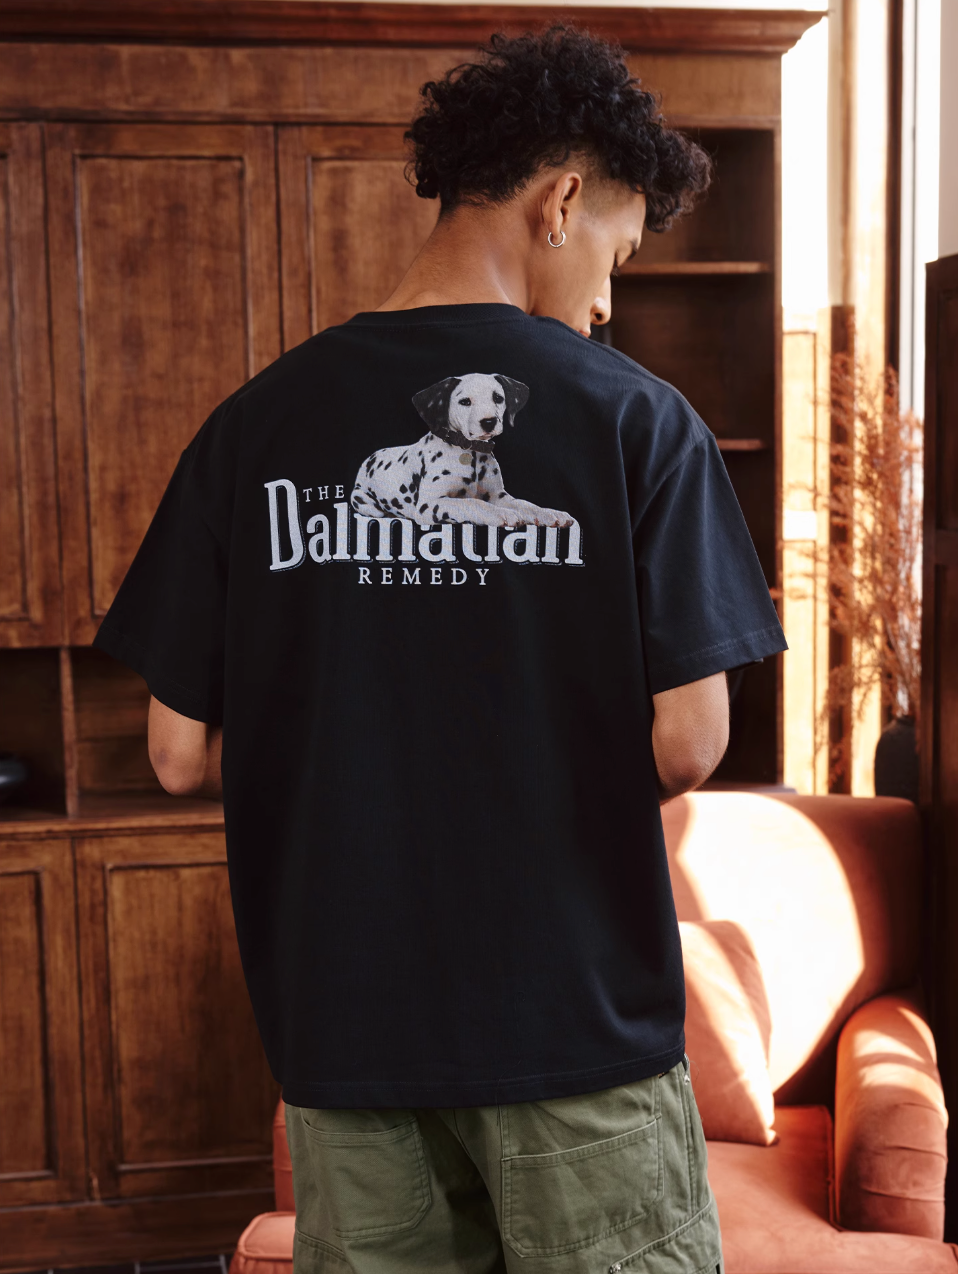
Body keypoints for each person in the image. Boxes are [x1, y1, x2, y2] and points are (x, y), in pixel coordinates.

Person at [93, 25, 787, 1274]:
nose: (608, 300)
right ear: (560, 202)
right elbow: (690, 743)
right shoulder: (638, 421)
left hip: (347, 1033)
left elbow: (178, 753)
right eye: (619, 253)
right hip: (572, 1027)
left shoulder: (254, 426)